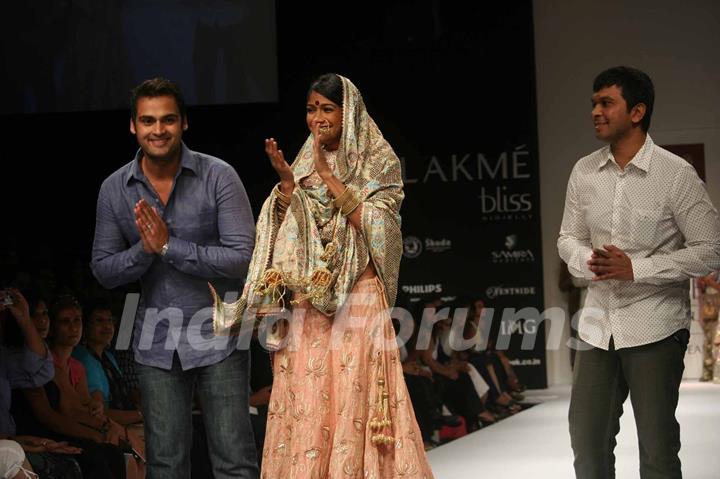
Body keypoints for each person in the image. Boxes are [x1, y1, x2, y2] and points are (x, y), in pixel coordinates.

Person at [213, 73, 433, 477]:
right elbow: (283, 229)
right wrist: (286, 185)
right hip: (308, 307)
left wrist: (329, 177)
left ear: (348, 112)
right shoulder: (301, 161)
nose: (318, 118)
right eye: (312, 109)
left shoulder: (377, 161)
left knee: (353, 397)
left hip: (358, 298)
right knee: (309, 399)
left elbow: (383, 232)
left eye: (327, 108)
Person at [90, 77, 258, 478]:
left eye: (168, 120)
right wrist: (145, 251)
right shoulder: (115, 189)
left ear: (184, 122)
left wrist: (170, 247)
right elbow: (103, 270)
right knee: (165, 466)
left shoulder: (219, 176)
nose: (158, 130)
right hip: (156, 342)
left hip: (223, 335)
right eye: (148, 121)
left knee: (234, 461)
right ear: (133, 126)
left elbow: (243, 258)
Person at [558, 66, 720, 478]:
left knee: (658, 450)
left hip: (656, 327)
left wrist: (637, 269)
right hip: (597, 328)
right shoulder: (583, 172)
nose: (595, 111)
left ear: (637, 111)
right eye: (593, 103)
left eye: (606, 102)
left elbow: (710, 249)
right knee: (587, 444)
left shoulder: (675, 174)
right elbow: (567, 238)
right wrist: (587, 261)